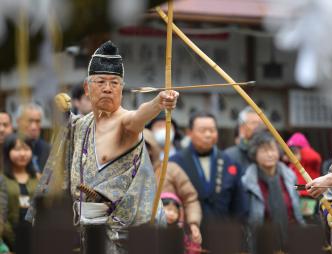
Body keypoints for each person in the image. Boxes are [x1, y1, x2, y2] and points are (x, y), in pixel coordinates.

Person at [26, 41, 179, 253]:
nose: (107, 88)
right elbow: (65, 140)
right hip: (84, 230)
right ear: (88, 88)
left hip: (118, 232)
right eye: (101, 81)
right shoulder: (80, 125)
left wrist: (158, 103)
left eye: (114, 83)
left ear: (122, 89)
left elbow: (139, 115)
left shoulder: (126, 123)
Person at [170, 112, 248, 224]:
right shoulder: (175, 162)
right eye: (202, 130)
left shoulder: (229, 163)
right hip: (188, 233)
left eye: (212, 130)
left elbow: (239, 206)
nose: (208, 135)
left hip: (223, 233)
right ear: (189, 133)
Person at [242, 130, 304, 249]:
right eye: (265, 150)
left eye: (273, 149)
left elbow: (297, 209)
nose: (270, 154)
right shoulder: (247, 182)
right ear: (255, 153)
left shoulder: (290, 176)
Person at [143, 129, 202, 244]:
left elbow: (190, 199)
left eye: (145, 147)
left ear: (152, 149)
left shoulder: (171, 169)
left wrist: (193, 223)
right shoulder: (123, 175)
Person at [0, 134, 38, 251]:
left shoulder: (37, 179)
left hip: (34, 239)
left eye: (26, 149)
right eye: (17, 149)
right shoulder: (2, 178)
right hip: (8, 240)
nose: (22, 154)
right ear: (8, 152)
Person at [286, 132, 322, 222]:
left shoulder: (310, 162)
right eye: (290, 152)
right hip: (295, 196)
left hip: (307, 196)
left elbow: (316, 158)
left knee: (307, 220)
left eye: (294, 151)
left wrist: (302, 150)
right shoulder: (291, 166)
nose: (292, 155)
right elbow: (293, 185)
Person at [225, 106, 264, 171]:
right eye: (254, 123)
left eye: (261, 123)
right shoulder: (230, 156)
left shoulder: (272, 153)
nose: (259, 126)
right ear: (242, 128)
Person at [16, 103, 50, 174]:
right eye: (29, 121)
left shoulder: (47, 149)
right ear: (18, 122)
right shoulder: (9, 147)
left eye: (37, 121)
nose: (34, 127)